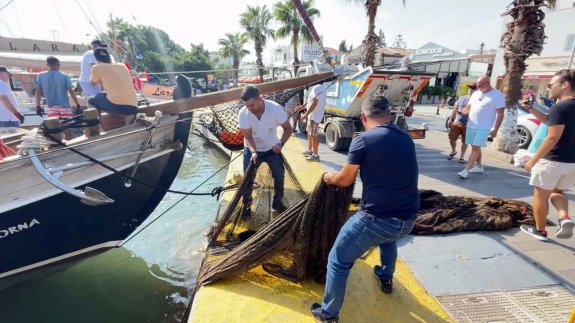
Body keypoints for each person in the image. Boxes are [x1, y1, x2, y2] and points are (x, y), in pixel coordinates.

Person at [311, 95, 419, 322]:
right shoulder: (405, 137)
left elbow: (345, 180)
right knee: (388, 239)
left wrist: (328, 178)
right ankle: (386, 277)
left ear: (363, 117)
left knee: (338, 259)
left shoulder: (363, 140)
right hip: (408, 219)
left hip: (377, 219)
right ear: (389, 115)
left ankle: (329, 314)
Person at [520, 69, 575, 242]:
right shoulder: (561, 109)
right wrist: (530, 108)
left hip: (553, 161)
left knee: (540, 195)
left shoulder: (560, 107)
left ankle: (540, 231)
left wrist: (533, 160)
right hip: (572, 163)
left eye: (551, 85)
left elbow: (552, 136)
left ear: (565, 85)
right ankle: (564, 217)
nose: (549, 88)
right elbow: (549, 121)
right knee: (557, 191)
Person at [238, 85, 293, 215]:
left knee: (279, 176)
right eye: (246, 105)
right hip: (252, 150)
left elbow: (288, 129)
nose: (249, 108)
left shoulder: (275, 108)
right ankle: (247, 206)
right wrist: (254, 152)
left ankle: (277, 202)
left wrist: (281, 144)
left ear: (260, 99)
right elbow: (247, 137)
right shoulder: (244, 113)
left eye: (251, 105)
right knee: (247, 180)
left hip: (272, 149)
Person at [457, 75, 505, 179]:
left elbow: (500, 114)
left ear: (487, 83)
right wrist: (462, 112)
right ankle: (479, 166)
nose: (478, 88)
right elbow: (469, 107)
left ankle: (466, 170)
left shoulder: (497, 95)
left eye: (479, 86)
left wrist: (495, 129)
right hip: (471, 124)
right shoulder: (476, 94)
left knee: (475, 148)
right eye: (477, 86)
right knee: (475, 146)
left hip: (484, 127)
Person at [87, 48, 138, 128]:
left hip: (119, 107)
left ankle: (98, 128)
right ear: (109, 57)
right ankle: (127, 117)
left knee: (91, 100)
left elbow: (93, 83)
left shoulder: (96, 68)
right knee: (107, 97)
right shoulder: (122, 66)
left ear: (96, 59)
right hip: (133, 106)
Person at [35, 56, 81, 140]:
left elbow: (38, 91)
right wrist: (77, 104)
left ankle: (60, 145)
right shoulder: (65, 76)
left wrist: (38, 106)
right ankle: (69, 142)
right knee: (67, 128)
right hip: (64, 106)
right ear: (59, 65)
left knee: (55, 129)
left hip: (51, 107)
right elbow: (71, 92)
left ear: (47, 65)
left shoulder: (41, 76)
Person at [447, 84, 477, 163]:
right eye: (470, 88)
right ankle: (453, 151)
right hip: (457, 122)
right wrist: (450, 119)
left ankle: (462, 156)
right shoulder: (461, 98)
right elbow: (455, 109)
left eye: (473, 89)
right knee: (451, 138)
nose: (471, 90)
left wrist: (464, 113)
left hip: (468, 124)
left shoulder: (476, 101)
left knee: (465, 141)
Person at [297, 83, 327, 162]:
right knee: (310, 133)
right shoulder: (322, 88)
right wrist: (305, 106)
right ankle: (310, 150)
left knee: (313, 135)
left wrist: (305, 115)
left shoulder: (316, 88)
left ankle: (315, 155)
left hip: (314, 116)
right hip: (314, 115)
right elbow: (314, 102)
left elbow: (315, 102)